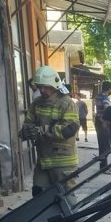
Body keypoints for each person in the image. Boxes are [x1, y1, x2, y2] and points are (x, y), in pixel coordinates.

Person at [20, 65, 80, 198]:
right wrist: (26, 131)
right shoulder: (36, 104)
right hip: (44, 161)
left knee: (66, 199)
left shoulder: (67, 103)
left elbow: (69, 129)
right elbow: (28, 123)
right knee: (38, 196)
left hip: (63, 163)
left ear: (55, 84)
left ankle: (71, 220)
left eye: (46, 86)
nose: (42, 90)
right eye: (40, 86)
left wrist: (43, 130)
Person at [95, 81, 111, 173]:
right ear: (109, 88)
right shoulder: (105, 97)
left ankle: (104, 165)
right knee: (105, 145)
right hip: (103, 123)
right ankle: (104, 167)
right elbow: (106, 107)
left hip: (98, 121)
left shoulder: (98, 96)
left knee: (102, 144)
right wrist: (107, 119)